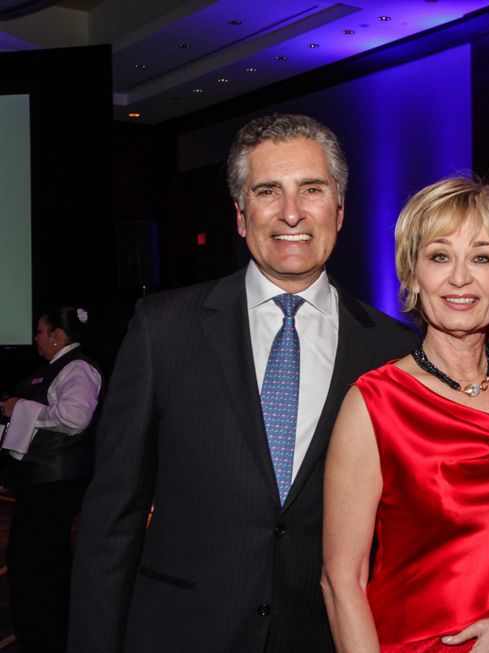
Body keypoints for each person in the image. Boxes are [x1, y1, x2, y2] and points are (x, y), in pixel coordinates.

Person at [67, 114, 416, 653]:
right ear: (240, 215)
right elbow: (113, 519)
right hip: (181, 635)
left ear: (340, 210)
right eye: (268, 191)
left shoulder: (392, 353)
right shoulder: (163, 330)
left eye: (312, 189)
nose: (291, 212)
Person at [321, 177, 489, 653]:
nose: (459, 278)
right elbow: (341, 582)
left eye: (482, 258)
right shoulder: (374, 404)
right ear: (412, 274)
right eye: (439, 256)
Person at [1, 306, 101, 653]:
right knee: (39, 561)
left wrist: (20, 409)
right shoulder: (56, 369)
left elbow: (74, 417)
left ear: (58, 336)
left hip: (55, 481)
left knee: (36, 564)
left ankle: (46, 638)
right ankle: (46, 635)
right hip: (44, 480)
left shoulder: (78, 367)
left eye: (41, 332)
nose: (36, 338)